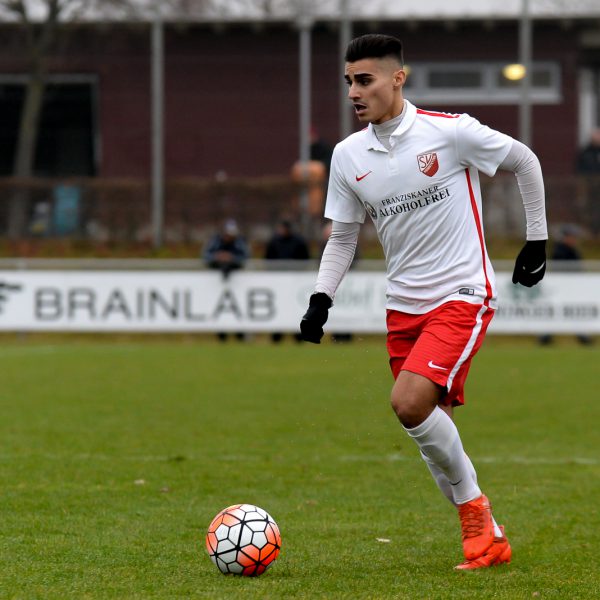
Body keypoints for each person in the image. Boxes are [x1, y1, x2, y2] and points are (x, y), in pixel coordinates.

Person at [299, 34, 548, 570]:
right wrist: (321, 297)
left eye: (364, 80)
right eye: (348, 82)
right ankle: (489, 538)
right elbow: (343, 237)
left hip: (462, 293)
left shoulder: (449, 132)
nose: (353, 92)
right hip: (403, 306)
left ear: (398, 78)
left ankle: (476, 515)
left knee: (408, 403)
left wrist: (537, 240)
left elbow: (525, 161)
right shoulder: (347, 155)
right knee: (429, 431)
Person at [539, 224, 593, 346]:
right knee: (557, 310)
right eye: (571, 237)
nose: (574, 239)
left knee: (573, 310)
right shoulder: (559, 251)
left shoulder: (572, 250)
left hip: (571, 287)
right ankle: (546, 335)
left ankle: (581, 335)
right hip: (562, 287)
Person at [264, 219, 310, 342]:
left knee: (296, 308)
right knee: (279, 307)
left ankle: (298, 336)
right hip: (278, 282)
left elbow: (305, 260)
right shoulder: (274, 242)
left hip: (295, 282)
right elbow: (268, 260)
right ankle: (276, 336)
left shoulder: (298, 242)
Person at [203, 219, 249, 341]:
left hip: (238, 283)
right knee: (220, 309)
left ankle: (240, 333)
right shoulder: (215, 241)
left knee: (238, 307)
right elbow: (205, 256)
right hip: (217, 283)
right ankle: (222, 334)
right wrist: (217, 257)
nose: (229, 237)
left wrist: (231, 258)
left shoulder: (239, 242)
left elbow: (245, 257)